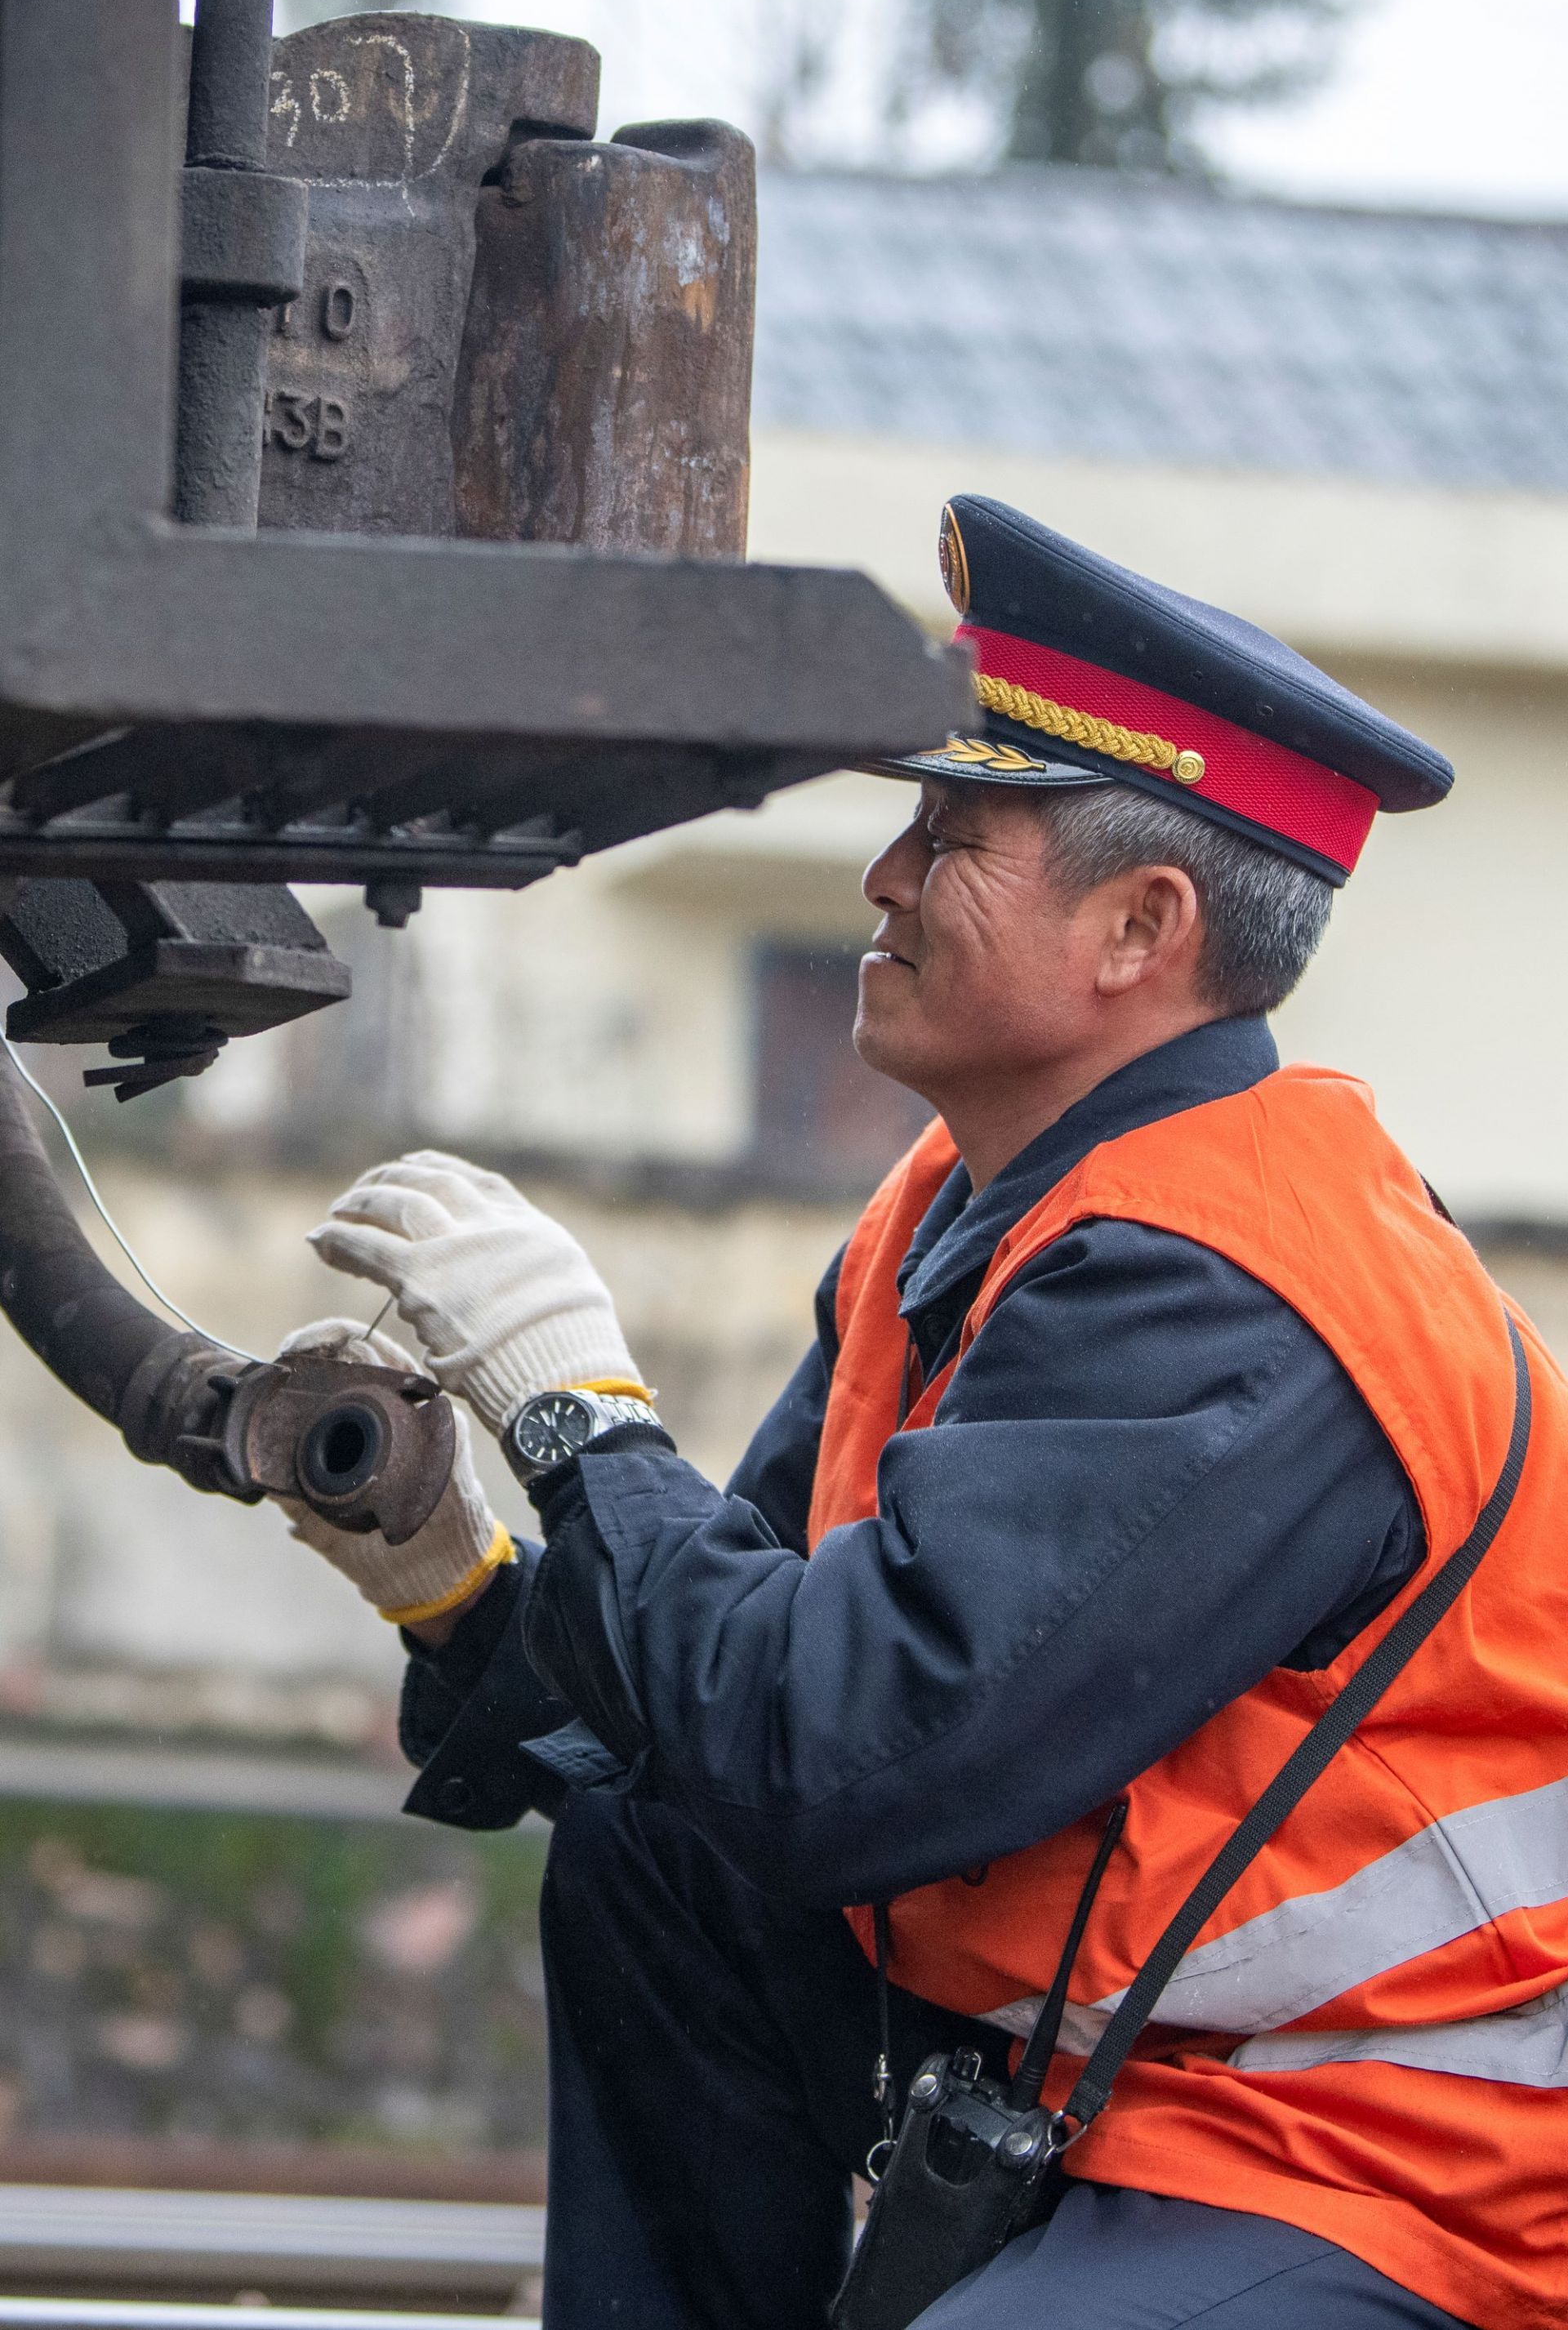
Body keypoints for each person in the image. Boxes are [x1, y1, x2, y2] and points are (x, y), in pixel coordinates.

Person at [274, 497, 1568, 2330]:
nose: (882, 876)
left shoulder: (1242, 1289)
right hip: (1129, 2059)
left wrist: (574, 1400)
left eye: (951, 837)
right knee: (659, 1848)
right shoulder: (977, 1206)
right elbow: (732, 1681)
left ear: (1141, 926)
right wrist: (455, 1575)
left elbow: (849, 1756)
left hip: (1386, 2139)